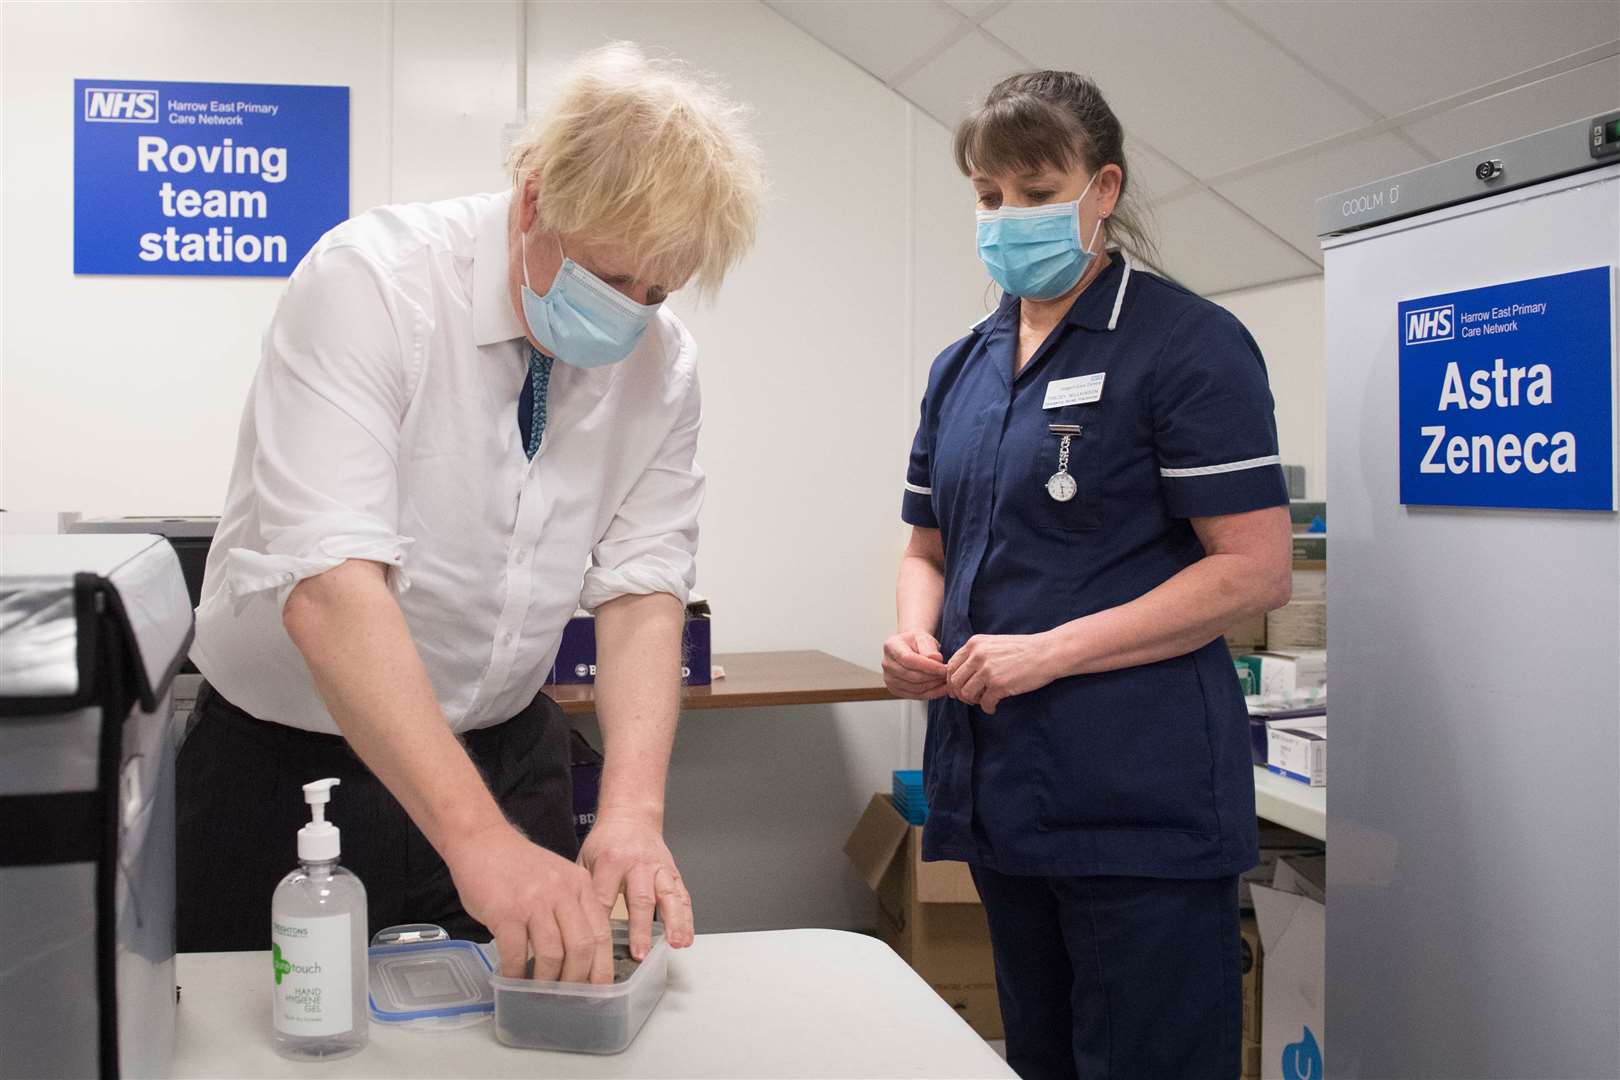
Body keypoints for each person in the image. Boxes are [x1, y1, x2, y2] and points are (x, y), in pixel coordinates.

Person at [179, 43, 764, 985]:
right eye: (609, 280)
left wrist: (630, 814)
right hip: (288, 773)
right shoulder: (373, 283)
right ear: (533, 199)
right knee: (263, 1034)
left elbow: (644, 587)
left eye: (656, 294)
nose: (629, 317)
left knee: (521, 1035)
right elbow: (331, 590)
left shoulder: (664, 363)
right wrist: (472, 842)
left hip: (506, 756)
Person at [882, 70, 1292, 1079]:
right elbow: (923, 547)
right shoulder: (964, 366)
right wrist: (914, 632)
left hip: (1134, 803)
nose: (1006, 218)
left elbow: (1255, 571)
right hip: (1002, 795)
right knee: (1043, 1058)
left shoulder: (1187, 345)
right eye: (988, 196)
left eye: (1034, 191)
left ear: (1102, 190)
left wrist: (1050, 655)